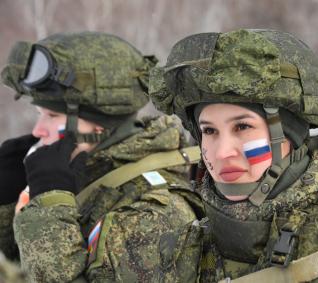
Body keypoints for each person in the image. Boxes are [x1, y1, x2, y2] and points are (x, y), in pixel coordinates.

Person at [149, 29, 318, 282]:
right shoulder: (180, 253)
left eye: (243, 127)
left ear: (290, 135)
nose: (222, 152)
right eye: (209, 131)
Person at [0, 31, 202, 282]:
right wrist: (6, 203)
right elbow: (22, 270)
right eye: (40, 114)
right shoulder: (81, 177)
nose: (37, 130)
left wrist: (48, 207)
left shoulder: (154, 214)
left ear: (97, 128)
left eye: (52, 116)